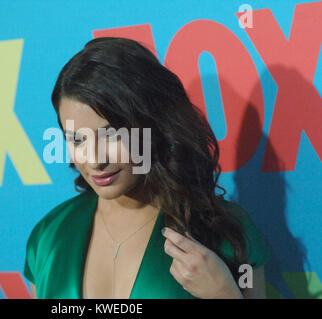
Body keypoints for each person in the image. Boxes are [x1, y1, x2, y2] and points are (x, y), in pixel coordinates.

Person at [24, 37, 270, 299]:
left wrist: (224, 294)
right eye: (77, 139)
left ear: (154, 126)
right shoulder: (48, 237)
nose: (95, 161)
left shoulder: (226, 234)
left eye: (112, 135)